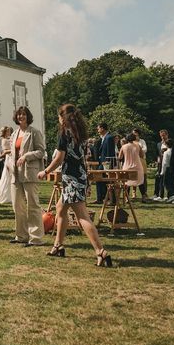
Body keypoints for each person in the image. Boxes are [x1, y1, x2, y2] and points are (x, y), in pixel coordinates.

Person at [38, 104, 112, 267]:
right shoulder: (81, 133)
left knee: (82, 216)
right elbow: (82, 158)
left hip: (71, 178)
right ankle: (58, 246)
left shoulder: (64, 133)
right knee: (60, 209)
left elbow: (59, 158)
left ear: (63, 117)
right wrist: (86, 181)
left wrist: (45, 171)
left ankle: (101, 252)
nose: (58, 119)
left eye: (59, 116)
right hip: (79, 175)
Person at [9, 106, 46, 247]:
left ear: (27, 116)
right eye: (19, 114)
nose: (21, 117)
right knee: (17, 205)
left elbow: (41, 151)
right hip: (15, 173)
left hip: (30, 172)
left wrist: (26, 156)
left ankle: (36, 238)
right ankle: (21, 235)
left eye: (23, 114)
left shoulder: (34, 132)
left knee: (33, 205)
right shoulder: (14, 134)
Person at [94, 122, 116, 205]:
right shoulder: (104, 138)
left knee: (109, 181)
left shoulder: (109, 137)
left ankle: (111, 199)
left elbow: (110, 152)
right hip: (102, 163)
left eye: (98, 128)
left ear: (102, 128)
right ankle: (100, 198)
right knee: (98, 179)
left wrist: (108, 163)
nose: (98, 130)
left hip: (106, 163)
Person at [0, 127, 14, 204]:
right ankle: (5, 196)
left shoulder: (10, 139)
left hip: (12, 158)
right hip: (8, 159)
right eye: (8, 131)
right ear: (5, 132)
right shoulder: (4, 140)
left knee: (11, 177)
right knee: (7, 177)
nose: (9, 132)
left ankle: (12, 195)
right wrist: (13, 150)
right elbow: (5, 151)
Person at [160, 139, 174, 203]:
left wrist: (162, 172)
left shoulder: (166, 153)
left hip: (168, 169)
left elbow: (164, 163)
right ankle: (172, 198)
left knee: (166, 183)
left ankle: (172, 195)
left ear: (167, 145)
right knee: (173, 183)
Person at [132, 128, 149, 201]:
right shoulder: (131, 142)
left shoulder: (142, 141)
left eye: (135, 134)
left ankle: (144, 192)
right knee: (133, 176)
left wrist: (138, 149)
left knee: (143, 176)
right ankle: (134, 192)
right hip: (134, 160)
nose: (134, 135)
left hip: (141, 160)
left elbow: (145, 149)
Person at [153, 129, 170, 200]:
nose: (162, 137)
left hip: (168, 163)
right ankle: (157, 194)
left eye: (163, 135)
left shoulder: (170, 143)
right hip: (160, 164)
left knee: (166, 180)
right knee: (158, 179)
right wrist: (158, 161)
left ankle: (167, 195)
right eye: (161, 136)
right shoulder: (158, 144)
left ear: (167, 135)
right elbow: (158, 154)